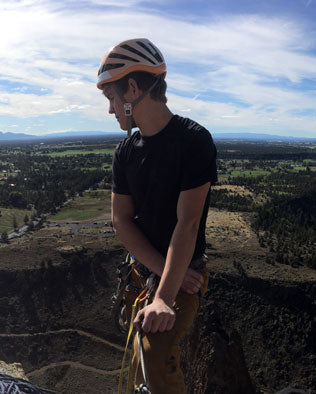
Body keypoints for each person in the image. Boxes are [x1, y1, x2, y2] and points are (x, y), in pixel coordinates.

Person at [97, 38, 217, 393]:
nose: (111, 110)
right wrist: (165, 276)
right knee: (140, 364)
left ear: (132, 89)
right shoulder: (126, 152)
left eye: (112, 98)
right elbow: (121, 221)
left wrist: (164, 295)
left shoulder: (193, 141)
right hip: (157, 272)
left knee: (153, 353)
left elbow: (188, 223)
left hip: (181, 275)